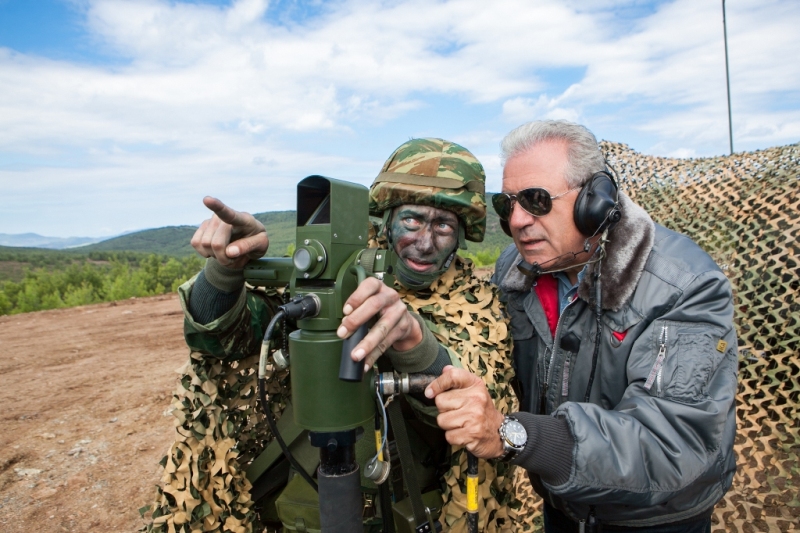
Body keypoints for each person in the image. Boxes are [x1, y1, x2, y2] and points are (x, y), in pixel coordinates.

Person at [143, 138, 530, 533]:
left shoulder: (476, 303)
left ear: (462, 234)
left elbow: (475, 404)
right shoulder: (335, 268)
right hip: (300, 506)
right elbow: (221, 341)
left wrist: (412, 338)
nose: (425, 242)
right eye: (412, 220)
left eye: (444, 225)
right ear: (388, 217)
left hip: (413, 508)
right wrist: (224, 271)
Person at [425, 120, 738, 532]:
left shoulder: (684, 286)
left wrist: (513, 434)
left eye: (536, 200)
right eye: (508, 204)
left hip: (653, 518)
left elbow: (672, 443)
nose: (517, 220)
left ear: (595, 202)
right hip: (562, 507)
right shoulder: (514, 272)